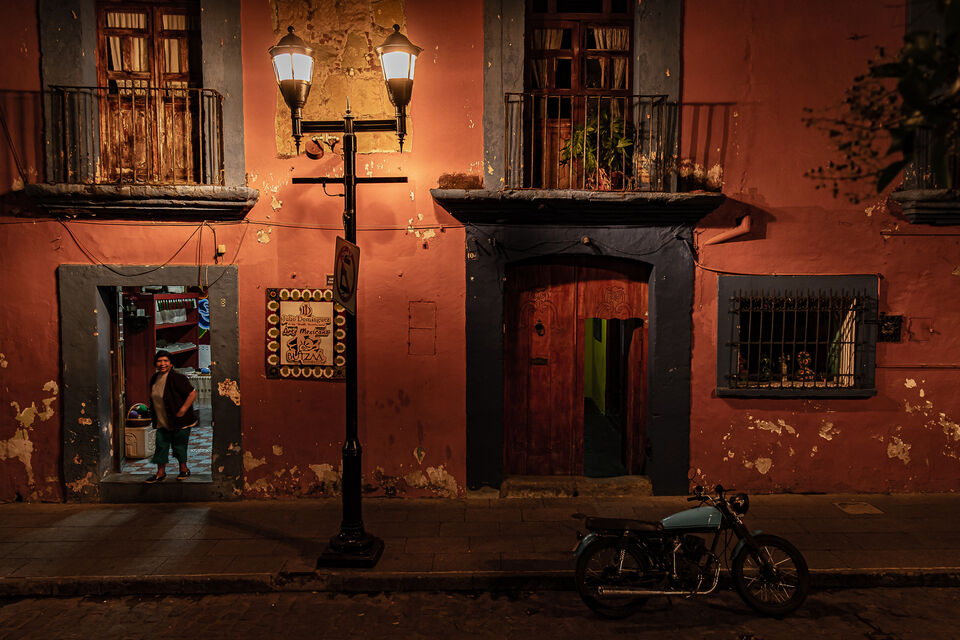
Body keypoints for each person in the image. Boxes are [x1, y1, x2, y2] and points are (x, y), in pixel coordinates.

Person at [145, 350, 197, 483]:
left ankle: (184, 469)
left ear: (171, 363)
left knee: (179, 445)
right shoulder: (154, 378)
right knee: (161, 446)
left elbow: (192, 393)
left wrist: (182, 410)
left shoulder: (178, 378)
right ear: (155, 363)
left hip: (180, 420)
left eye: (165, 361)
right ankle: (160, 473)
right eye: (159, 361)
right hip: (162, 420)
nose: (162, 364)